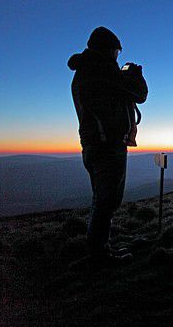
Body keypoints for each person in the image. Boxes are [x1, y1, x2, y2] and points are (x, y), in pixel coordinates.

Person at [68, 26, 148, 266]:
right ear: (108, 49)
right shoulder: (103, 71)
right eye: (116, 51)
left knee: (101, 200)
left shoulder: (85, 71)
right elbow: (140, 94)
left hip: (93, 145)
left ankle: (100, 249)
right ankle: (100, 255)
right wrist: (136, 74)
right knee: (107, 202)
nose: (118, 57)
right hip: (108, 146)